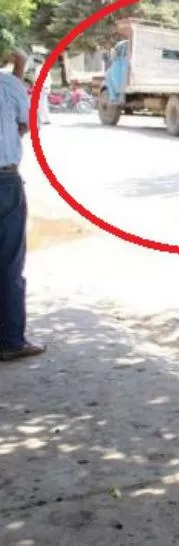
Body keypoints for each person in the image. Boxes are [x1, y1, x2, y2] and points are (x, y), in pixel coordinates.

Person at [0, 47, 45, 362]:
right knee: (9, 264)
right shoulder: (8, 85)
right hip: (4, 182)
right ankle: (11, 341)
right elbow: (26, 123)